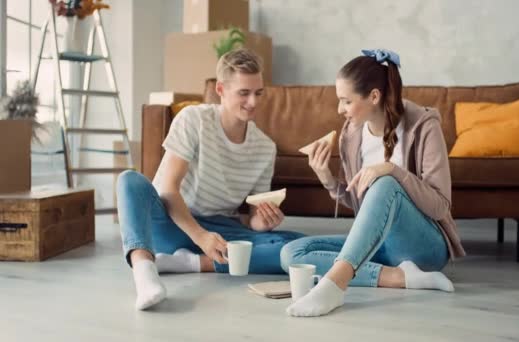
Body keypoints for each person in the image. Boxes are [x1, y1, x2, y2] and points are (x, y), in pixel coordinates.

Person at [280, 49, 466, 317]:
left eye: (345, 101)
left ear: (374, 96)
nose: (339, 110)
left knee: (385, 182)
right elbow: (361, 201)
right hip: (378, 245)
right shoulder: (351, 135)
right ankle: (403, 278)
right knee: (293, 254)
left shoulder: (424, 125)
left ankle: (334, 285)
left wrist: (391, 170)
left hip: (425, 246)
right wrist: (327, 178)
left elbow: (439, 206)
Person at [117, 48, 305, 310]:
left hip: (219, 230)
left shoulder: (265, 147)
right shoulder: (193, 120)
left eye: (258, 93)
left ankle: (192, 263)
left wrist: (263, 221)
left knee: (296, 245)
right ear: (221, 90)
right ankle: (145, 272)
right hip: (172, 220)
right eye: (244, 93)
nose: (253, 102)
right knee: (129, 180)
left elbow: (251, 218)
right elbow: (169, 191)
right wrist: (201, 237)